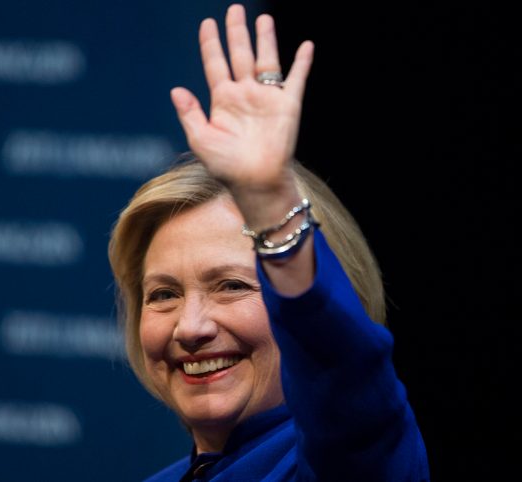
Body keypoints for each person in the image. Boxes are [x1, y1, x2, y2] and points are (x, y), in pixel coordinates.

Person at [108, 4, 429, 481]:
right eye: (164, 295)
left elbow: (342, 370)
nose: (189, 327)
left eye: (232, 286)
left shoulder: (350, 459)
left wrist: (270, 204)